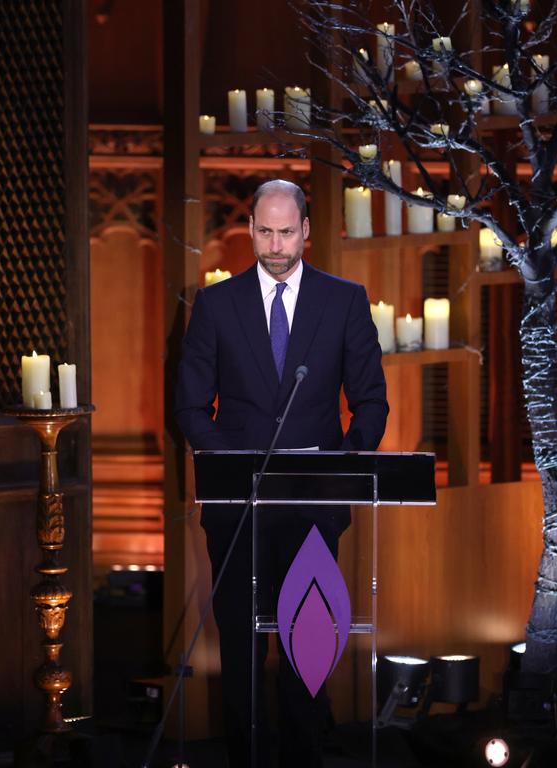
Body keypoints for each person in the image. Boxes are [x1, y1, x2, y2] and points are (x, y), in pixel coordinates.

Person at [174, 179, 389, 766]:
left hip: (314, 506)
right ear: (248, 230)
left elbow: (371, 401)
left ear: (307, 233)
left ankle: (305, 756)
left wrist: (343, 467)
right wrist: (233, 466)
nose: (274, 245)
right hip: (238, 511)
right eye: (264, 232)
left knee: (307, 648)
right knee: (242, 650)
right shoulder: (216, 306)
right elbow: (191, 407)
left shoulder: (343, 300)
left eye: (286, 232)